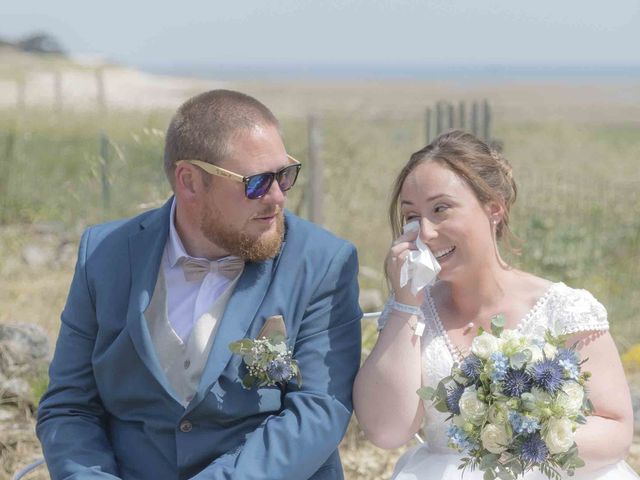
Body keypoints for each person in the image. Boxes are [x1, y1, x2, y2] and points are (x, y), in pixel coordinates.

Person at [37, 89, 362, 480]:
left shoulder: (323, 262)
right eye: (257, 182)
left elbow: (317, 412)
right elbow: (70, 406)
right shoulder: (103, 254)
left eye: (285, 174)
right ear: (189, 181)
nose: (277, 197)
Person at [353, 130, 638, 479]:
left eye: (441, 209)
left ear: (494, 207)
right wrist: (406, 304)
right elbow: (387, 431)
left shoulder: (565, 308)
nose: (424, 233)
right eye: (412, 217)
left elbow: (616, 428)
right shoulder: (411, 315)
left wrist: (521, 444)